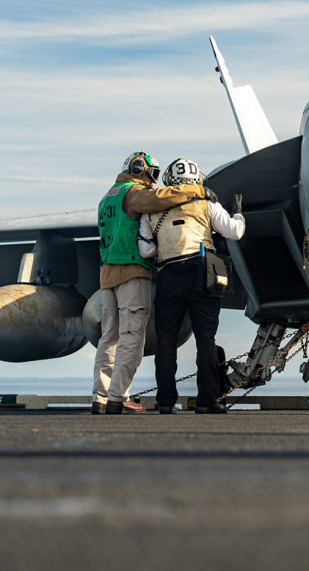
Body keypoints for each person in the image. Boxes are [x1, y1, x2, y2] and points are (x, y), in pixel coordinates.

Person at [93, 152, 207, 415]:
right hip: (131, 273)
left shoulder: (107, 197)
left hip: (107, 273)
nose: (153, 182)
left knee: (108, 337)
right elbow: (159, 199)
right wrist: (195, 189)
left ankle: (100, 396)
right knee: (132, 337)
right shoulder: (132, 193)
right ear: (137, 169)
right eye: (151, 175)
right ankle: (118, 397)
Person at [144, 158, 245, 414]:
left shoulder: (152, 209)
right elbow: (234, 232)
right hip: (202, 274)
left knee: (166, 341)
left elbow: (145, 250)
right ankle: (207, 400)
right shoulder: (207, 203)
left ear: (169, 180)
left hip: (168, 274)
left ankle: (165, 401)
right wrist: (238, 214)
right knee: (206, 340)